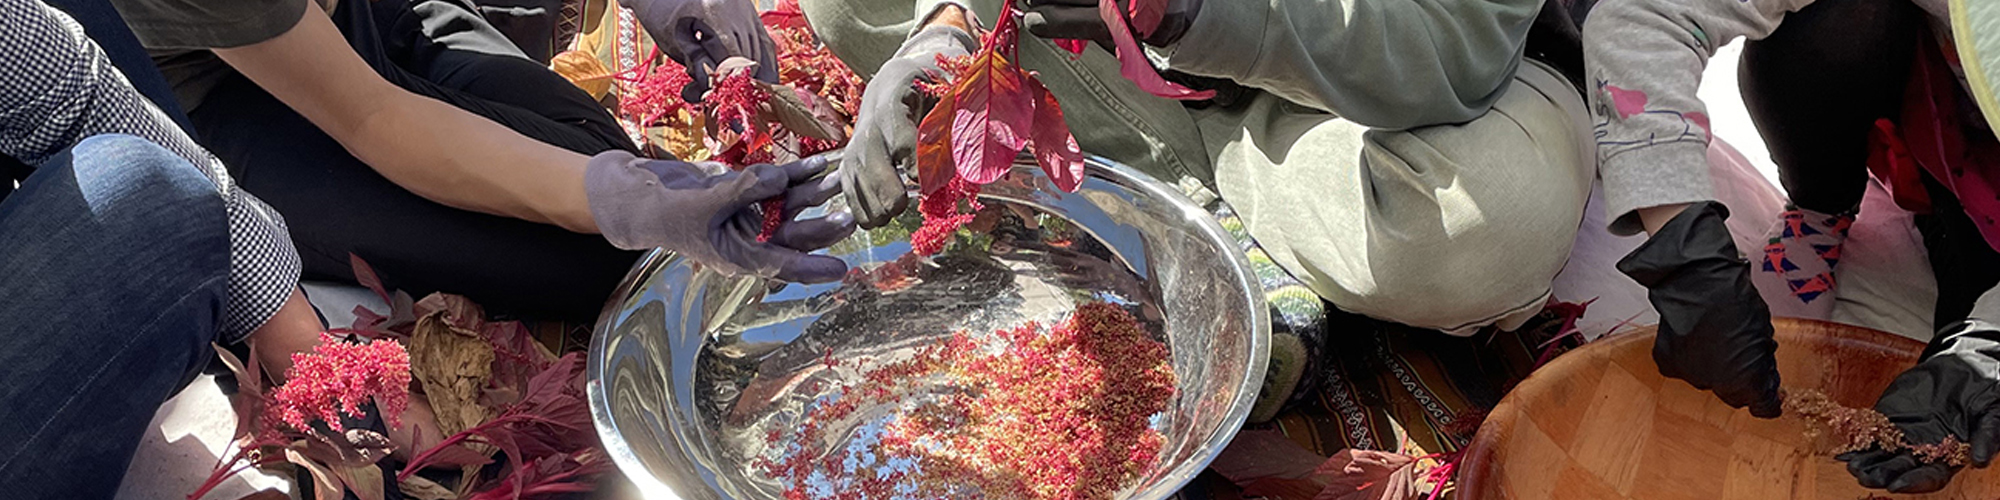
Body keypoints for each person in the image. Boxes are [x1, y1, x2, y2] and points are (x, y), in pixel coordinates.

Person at [105, 0, 850, 321]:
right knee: (603, 261)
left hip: (365, 14)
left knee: (589, 149)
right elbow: (373, 116)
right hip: (236, 102)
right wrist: (622, 201)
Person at [1586, 0, 2000, 491]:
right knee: (1838, 20)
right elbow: (1640, 19)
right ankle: (1825, 209)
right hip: (1949, 145)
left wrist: (1989, 343)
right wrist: (1683, 255)